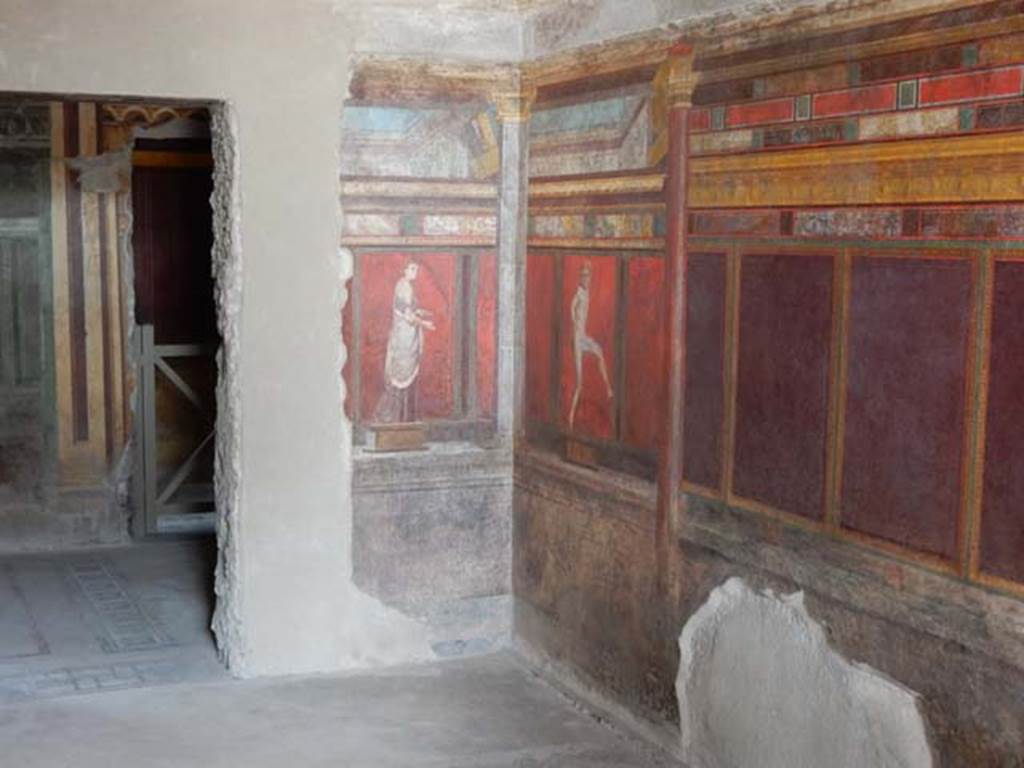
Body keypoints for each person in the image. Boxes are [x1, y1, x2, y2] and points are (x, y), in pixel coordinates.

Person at [372, 261, 435, 423]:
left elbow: (407, 309)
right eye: (412, 268)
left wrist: (421, 312)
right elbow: (406, 315)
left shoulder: (405, 285)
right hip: (403, 339)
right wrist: (424, 324)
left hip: (407, 337)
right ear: (404, 270)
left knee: (405, 379)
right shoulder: (404, 286)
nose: (416, 271)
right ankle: (392, 418)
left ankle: (404, 419)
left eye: (416, 269)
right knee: (400, 375)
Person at [569, 262, 613, 428]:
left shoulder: (587, 293)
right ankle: (571, 418)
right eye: (584, 276)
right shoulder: (580, 293)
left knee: (600, 352)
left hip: (583, 337)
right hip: (577, 339)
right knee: (579, 384)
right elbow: (572, 307)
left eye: (589, 276)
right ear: (581, 278)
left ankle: (608, 388)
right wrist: (574, 321)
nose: (587, 279)